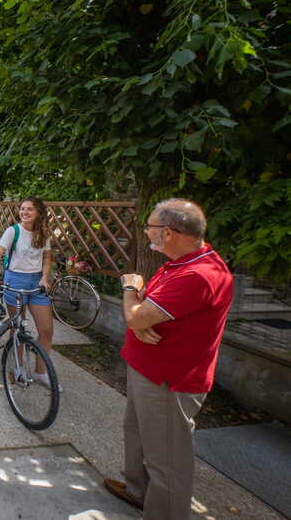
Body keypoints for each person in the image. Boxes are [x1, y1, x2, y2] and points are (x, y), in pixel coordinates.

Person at [103, 198, 233, 519]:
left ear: (170, 232)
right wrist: (141, 317)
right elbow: (145, 312)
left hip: (168, 381)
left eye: (150, 226)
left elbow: (136, 314)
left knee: (167, 462)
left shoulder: (199, 275)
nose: (147, 230)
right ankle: (138, 492)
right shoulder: (181, 263)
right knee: (136, 435)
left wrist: (130, 288)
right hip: (148, 369)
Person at [0, 197, 58, 390]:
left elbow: (47, 258)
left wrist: (44, 277)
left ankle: (41, 372)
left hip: (36, 284)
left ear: (38, 213)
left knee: (46, 330)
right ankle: (17, 368)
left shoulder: (43, 233)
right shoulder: (13, 231)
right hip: (14, 280)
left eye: (29, 209)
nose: (24, 212)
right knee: (18, 327)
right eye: (22, 209)